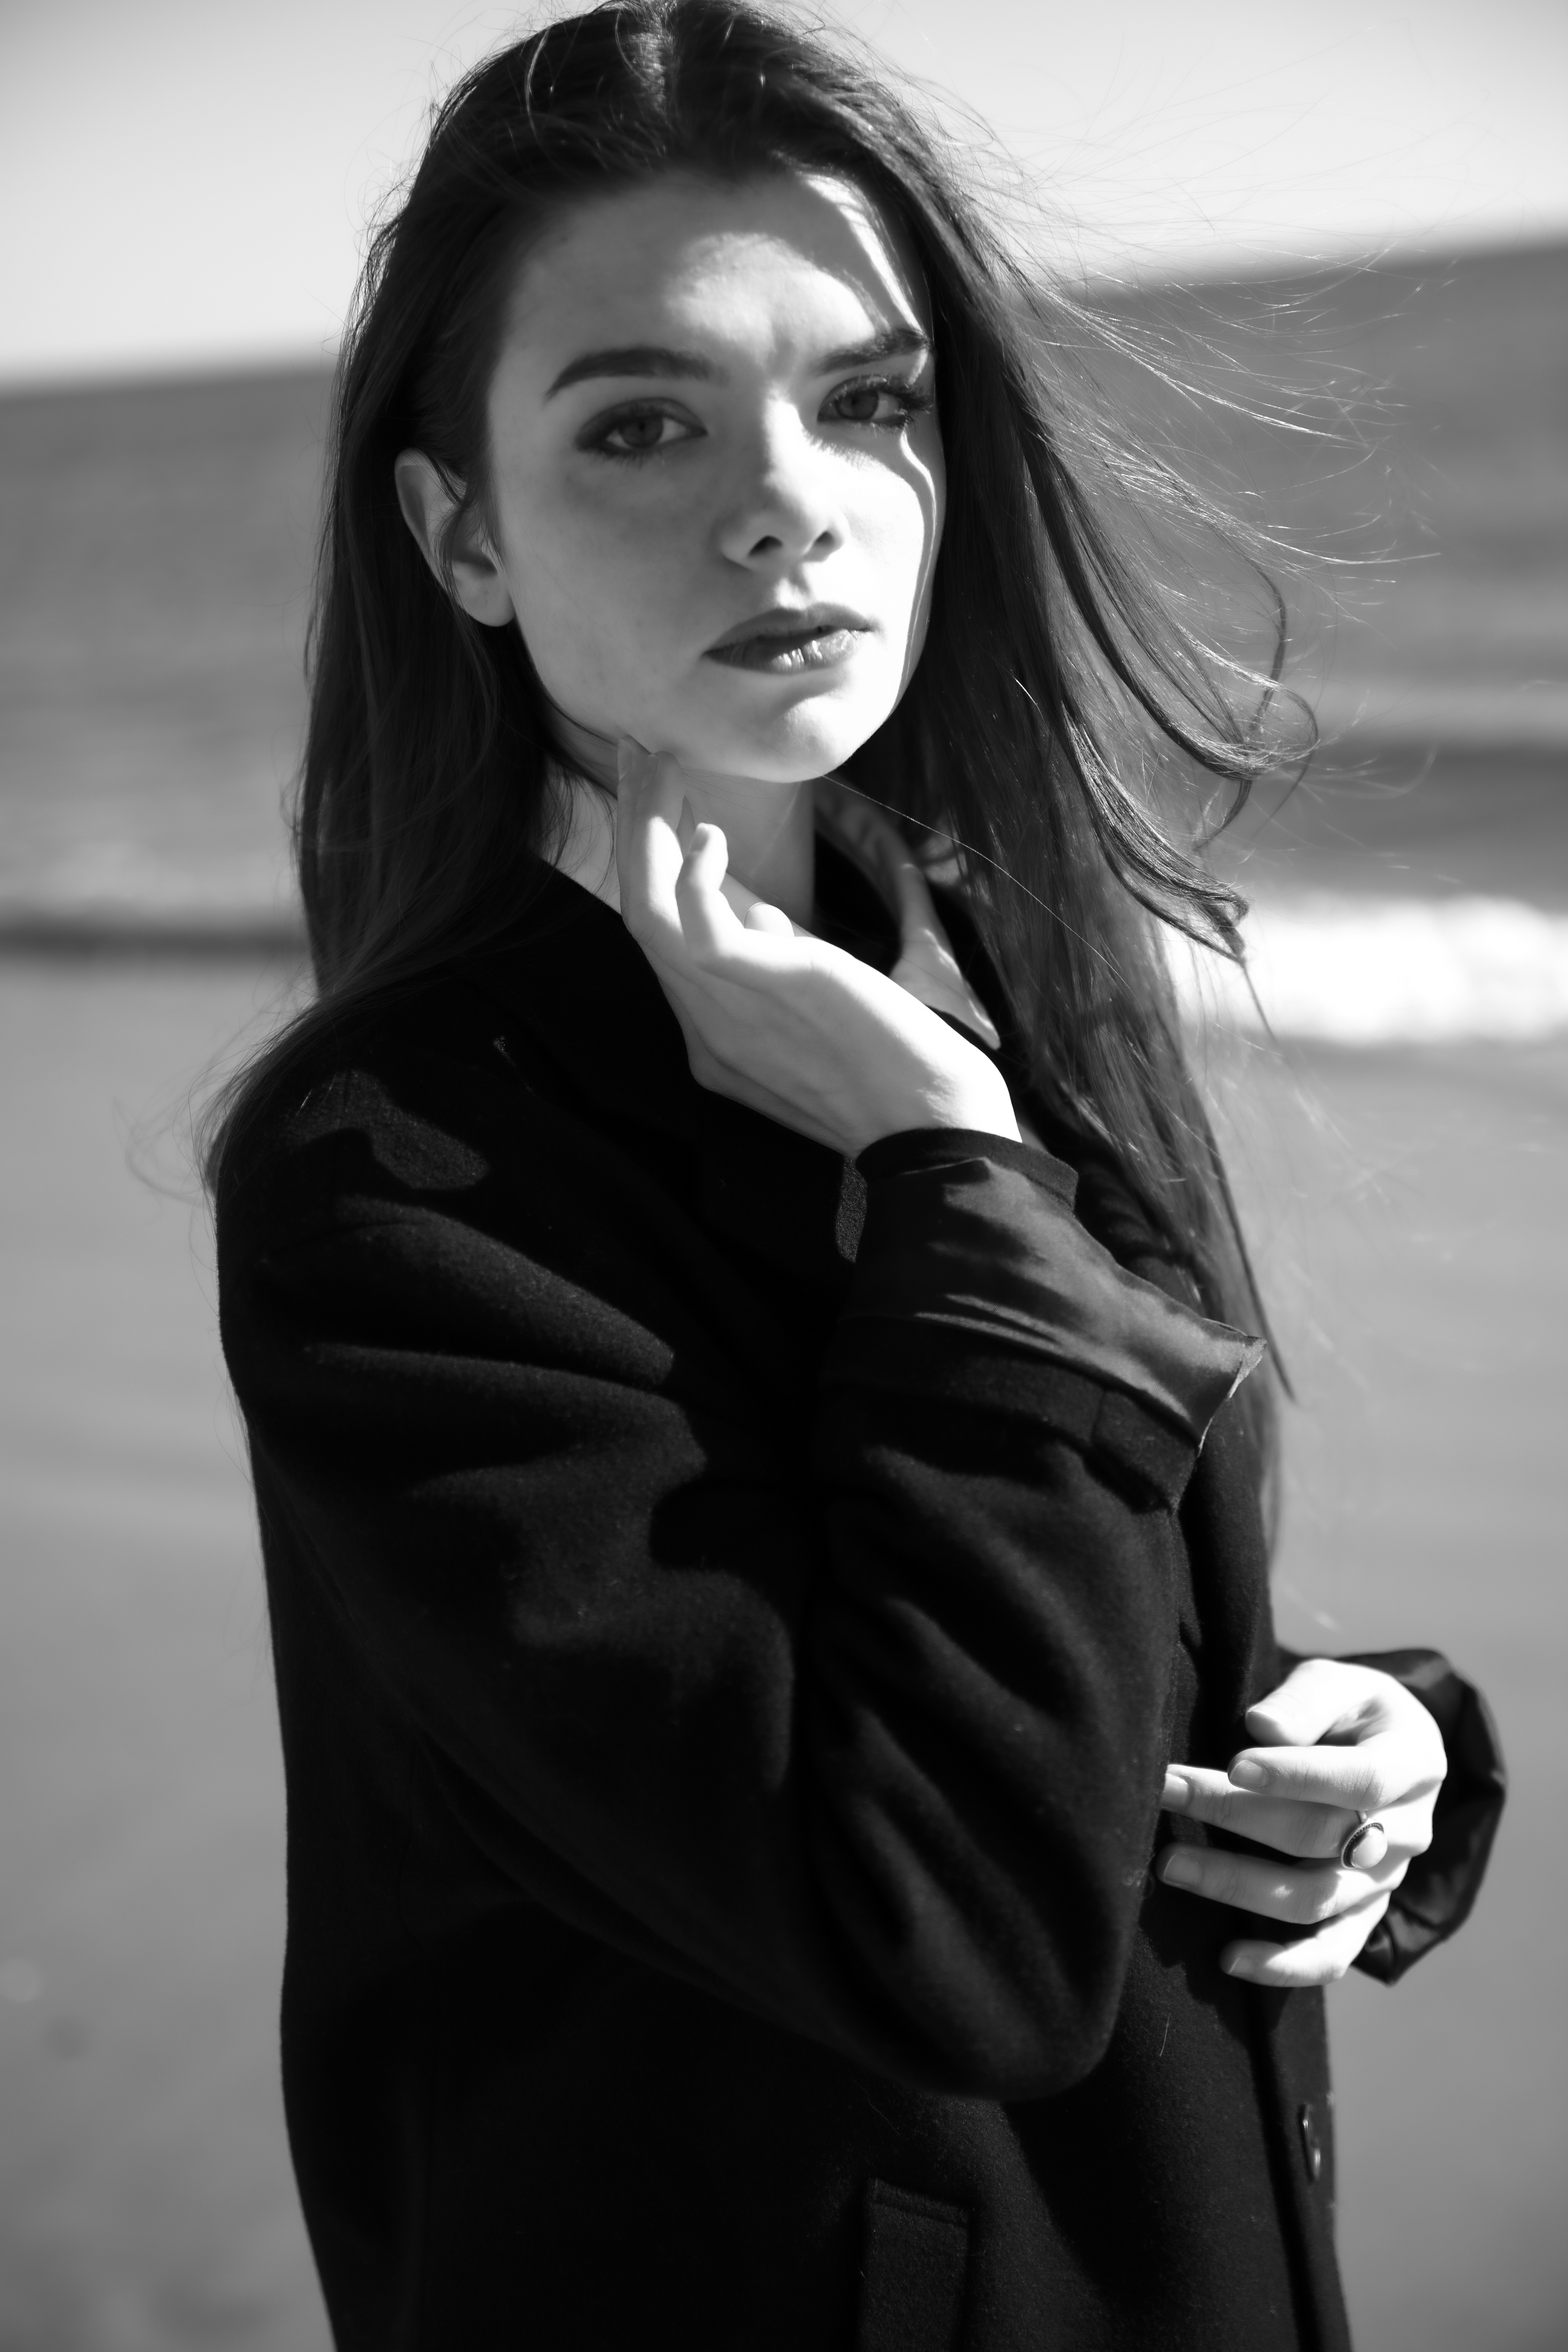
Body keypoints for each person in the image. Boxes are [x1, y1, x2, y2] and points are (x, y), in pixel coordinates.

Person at [210, 5, 1505, 2345]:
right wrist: (945, 1174)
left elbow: (1033, 1627)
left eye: (869, 400)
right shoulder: (396, 1179)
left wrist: (1370, 1746)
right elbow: (947, 1928)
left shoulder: (995, 971)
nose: (789, 502)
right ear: (462, 533)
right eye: (641, 424)